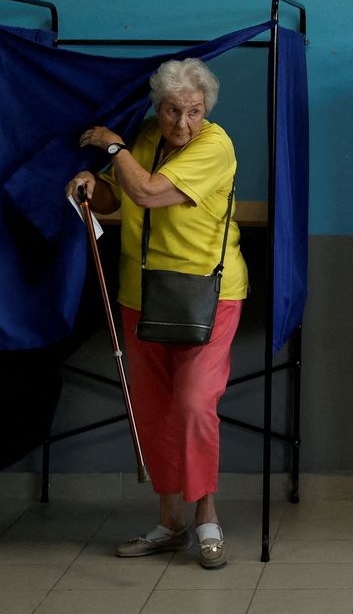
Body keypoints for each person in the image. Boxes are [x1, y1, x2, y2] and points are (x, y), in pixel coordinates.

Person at [65, 58, 247, 570]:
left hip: (207, 295)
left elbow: (147, 191)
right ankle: (170, 522)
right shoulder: (145, 137)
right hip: (139, 294)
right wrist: (89, 182)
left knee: (192, 404)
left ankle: (206, 514)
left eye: (193, 111)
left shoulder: (216, 145)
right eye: (172, 111)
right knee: (151, 409)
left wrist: (113, 146)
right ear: (156, 107)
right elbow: (116, 196)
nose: (182, 124)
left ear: (205, 109)